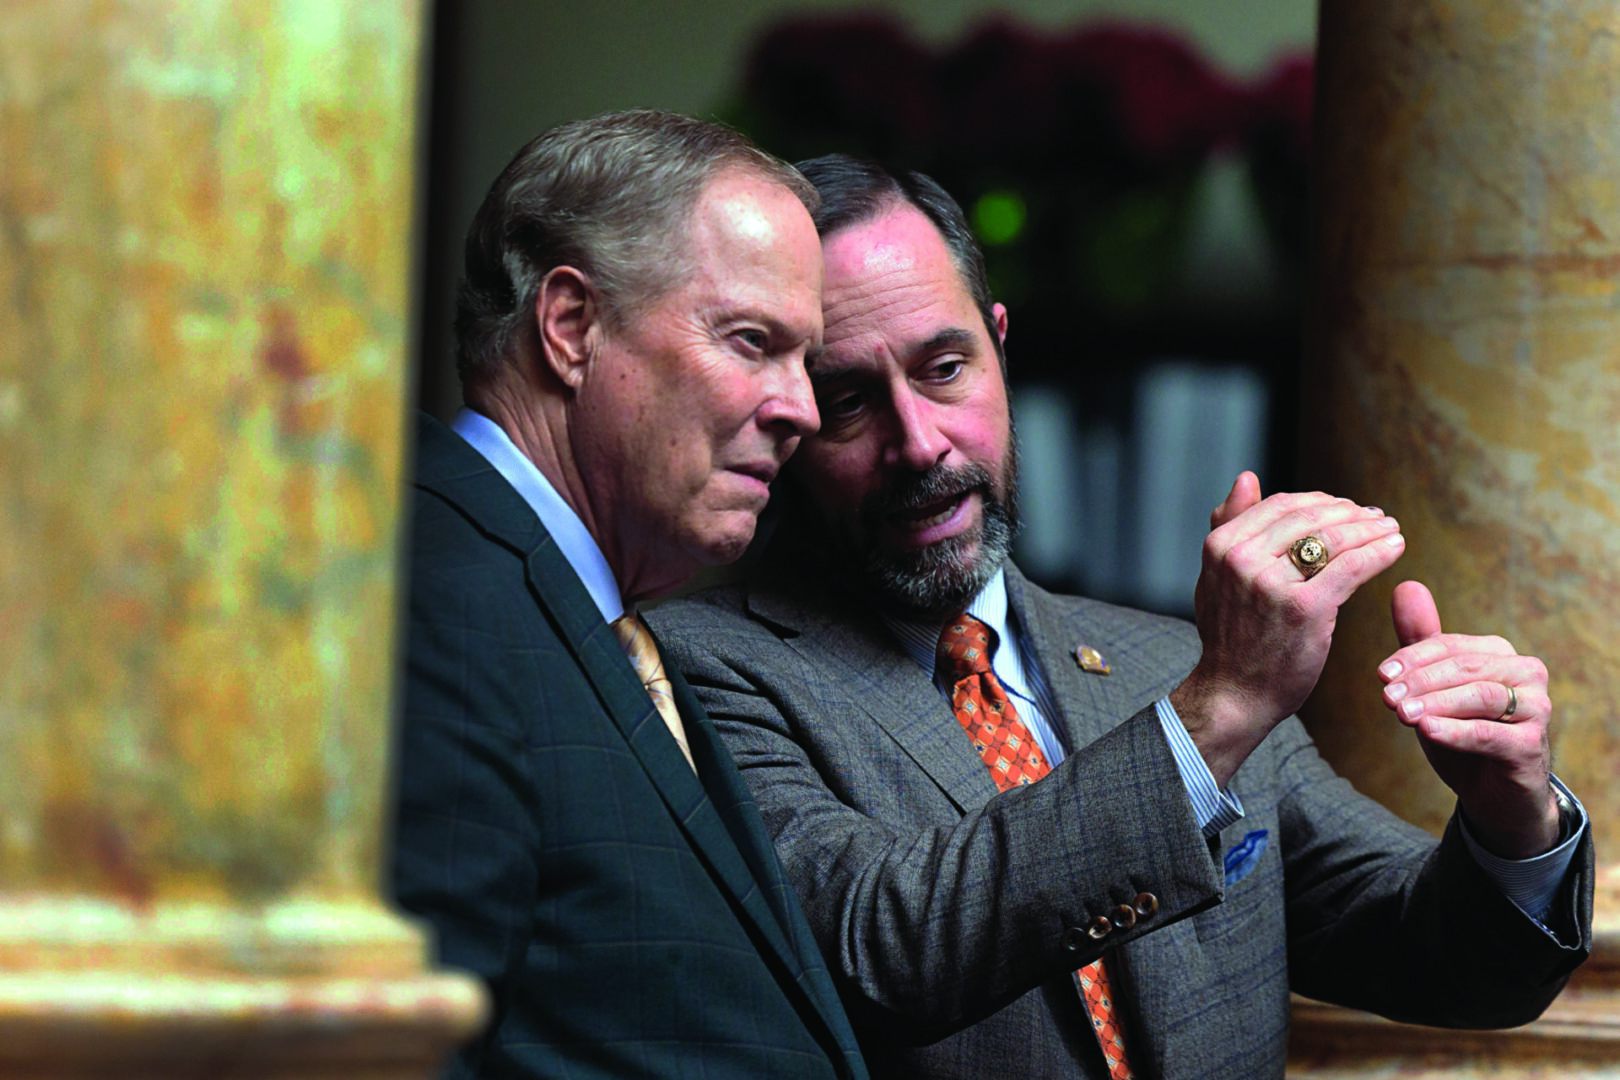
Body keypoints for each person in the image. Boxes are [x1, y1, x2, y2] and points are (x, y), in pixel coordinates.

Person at [648, 155, 1593, 1080]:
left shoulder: (1164, 659)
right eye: (849, 401)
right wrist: (1217, 711)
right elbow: (885, 946)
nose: (919, 442)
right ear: (784, 413)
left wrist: (1514, 816)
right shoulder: (698, 673)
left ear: (1000, 343)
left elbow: (1452, 961)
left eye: (944, 368)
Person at [388, 112, 868, 1080]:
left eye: (805, 361)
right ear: (571, 328)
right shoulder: (435, 604)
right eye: (750, 341)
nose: (802, 410)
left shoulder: (594, 616)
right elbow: (402, 1054)